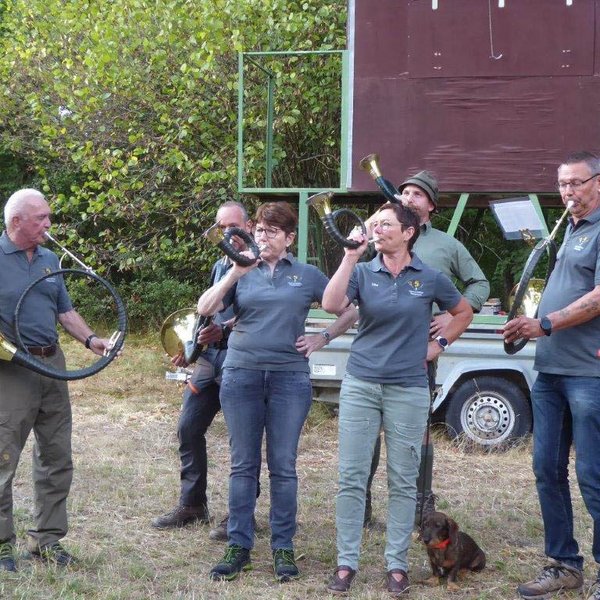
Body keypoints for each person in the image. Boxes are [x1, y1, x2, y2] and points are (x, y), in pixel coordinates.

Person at [197, 202, 357, 583]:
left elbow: (349, 310)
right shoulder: (238, 268)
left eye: (272, 231)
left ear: (289, 238)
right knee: (243, 464)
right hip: (241, 374)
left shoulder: (307, 274)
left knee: (283, 466)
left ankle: (283, 546)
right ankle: (238, 545)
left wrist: (322, 337)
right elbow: (205, 307)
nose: (264, 237)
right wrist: (236, 271)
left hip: (289, 378)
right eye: (260, 230)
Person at [322, 202, 472, 595]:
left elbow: (463, 312)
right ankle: (346, 563)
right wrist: (349, 256)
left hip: (408, 388)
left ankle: (397, 565)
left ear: (408, 233)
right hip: (361, 385)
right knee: (352, 477)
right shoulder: (362, 272)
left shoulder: (430, 277)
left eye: (386, 224)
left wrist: (438, 345)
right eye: (375, 224)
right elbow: (331, 305)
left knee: (404, 481)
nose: (377, 229)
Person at [365, 170, 489, 527]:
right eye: (405, 192)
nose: (408, 198)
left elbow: (480, 283)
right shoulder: (378, 236)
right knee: (368, 427)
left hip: (418, 351)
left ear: (431, 205)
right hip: (374, 347)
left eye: (417, 194)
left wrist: (449, 321)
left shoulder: (446, 245)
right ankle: (363, 505)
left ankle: (421, 507)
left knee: (416, 428)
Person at [503, 151, 600, 600]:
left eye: (576, 183)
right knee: (546, 470)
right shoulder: (570, 231)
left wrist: (544, 323)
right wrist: (525, 323)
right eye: (562, 184)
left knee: (593, 475)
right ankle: (564, 565)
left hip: (589, 373)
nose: (568, 192)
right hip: (550, 371)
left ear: (598, 182)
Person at [0, 189, 114, 571]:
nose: (49, 224)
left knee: (56, 455)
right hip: (11, 370)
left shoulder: (50, 260)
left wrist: (92, 340)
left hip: (52, 365)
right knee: (3, 457)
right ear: (17, 221)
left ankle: (46, 540)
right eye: (41, 218)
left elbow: (65, 311)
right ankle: (2, 545)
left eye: (48, 217)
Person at [152, 201, 259, 540]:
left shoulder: (260, 264)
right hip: (210, 360)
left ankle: (241, 515)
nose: (227, 233)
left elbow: (260, 313)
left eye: (233, 226)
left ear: (249, 226)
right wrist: (190, 350)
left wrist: (223, 330)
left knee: (242, 440)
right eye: (221, 227)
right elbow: (207, 314)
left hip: (242, 359)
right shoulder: (220, 265)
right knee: (188, 428)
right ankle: (193, 504)